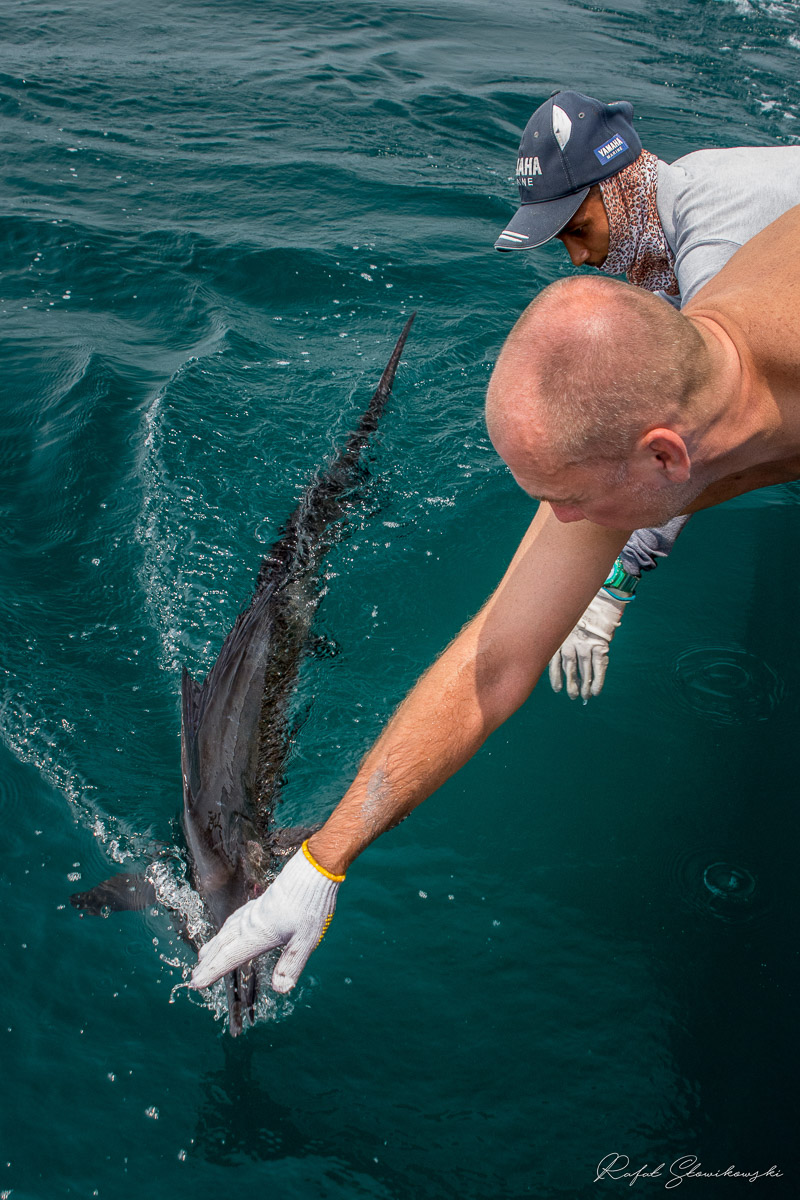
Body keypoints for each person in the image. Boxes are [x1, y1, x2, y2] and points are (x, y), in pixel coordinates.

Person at [191, 203, 800, 997]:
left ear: (664, 457)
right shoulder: (678, 411)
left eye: (569, 500)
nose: (561, 525)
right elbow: (497, 661)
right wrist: (319, 863)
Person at [495, 89, 800, 701]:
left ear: (620, 188)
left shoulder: (713, 240)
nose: (578, 257)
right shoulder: (682, 191)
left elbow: (698, 427)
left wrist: (611, 587)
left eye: (579, 229)